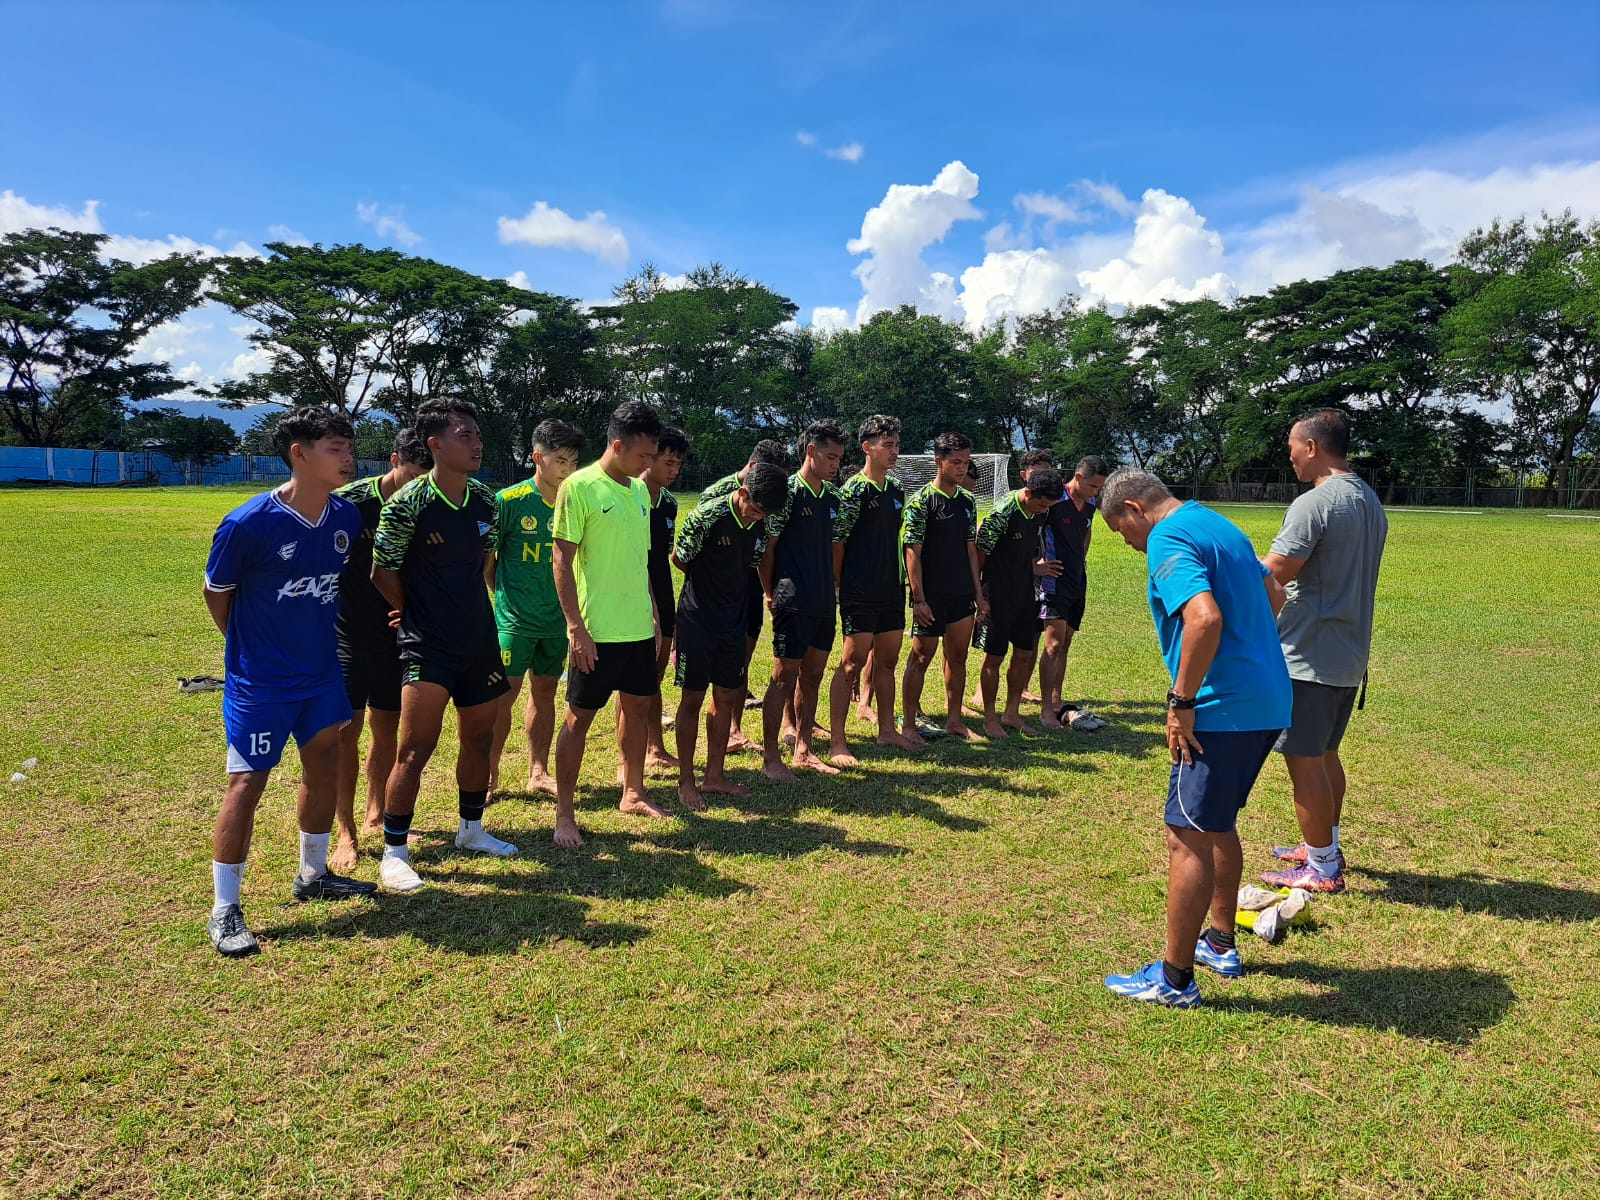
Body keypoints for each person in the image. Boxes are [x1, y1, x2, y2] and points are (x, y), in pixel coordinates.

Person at [1097, 468, 1290, 1007]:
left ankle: (1174, 979)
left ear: (1135, 509)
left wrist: (1182, 702)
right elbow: (1274, 591)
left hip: (1221, 710)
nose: (1132, 545)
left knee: (1185, 835)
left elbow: (1203, 620)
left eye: (1122, 532)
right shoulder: (1219, 525)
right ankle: (1220, 942)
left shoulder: (1168, 535)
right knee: (1214, 822)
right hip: (1267, 699)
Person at [201, 406, 375, 957]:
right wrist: (249, 650)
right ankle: (225, 909)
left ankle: (312, 873)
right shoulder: (248, 524)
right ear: (299, 453)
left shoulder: (346, 519)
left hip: (322, 673)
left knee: (325, 763)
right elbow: (217, 593)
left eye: (349, 447)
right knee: (248, 782)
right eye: (334, 448)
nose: (348, 458)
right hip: (262, 682)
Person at [371, 398, 516, 894]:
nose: (476, 443)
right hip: (426, 645)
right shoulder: (407, 503)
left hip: (478, 639)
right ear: (435, 445)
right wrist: (410, 609)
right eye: (465, 435)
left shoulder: (485, 501)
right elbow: (381, 570)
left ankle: (471, 830)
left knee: (479, 737)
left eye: (477, 435)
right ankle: (395, 851)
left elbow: (482, 563)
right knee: (415, 747)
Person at [1259, 408, 1387, 895]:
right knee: (1326, 755)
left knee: (1304, 760)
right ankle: (1322, 847)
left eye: (1292, 444)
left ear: (1311, 447)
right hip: (1348, 654)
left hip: (1307, 653)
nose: (1288, 453)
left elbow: (1274, 573)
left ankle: (1322, 868)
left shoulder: (1315, 503)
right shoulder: (1368, 499)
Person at [550, 401, 665, 848]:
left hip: (637, 628)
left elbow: (641, 561)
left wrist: (653, 614)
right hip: (596, 632)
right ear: (617, 446)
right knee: (578, 718)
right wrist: (575, 627)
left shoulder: (639, 492)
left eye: (653, 456)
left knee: (638, 709)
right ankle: (564, 813)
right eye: (643, 456)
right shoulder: (579, 488)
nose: (649, 464)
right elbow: (562, 559)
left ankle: (633, 792)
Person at [329, 427, 432, 873]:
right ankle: (346, 832)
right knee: (344, 734)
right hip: (348, 635)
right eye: (412, 477)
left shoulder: (429, 503)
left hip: (399, 637)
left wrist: (410, 610)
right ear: (394, 462)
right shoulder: (351, 503)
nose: (418, 488)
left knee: (388, 728)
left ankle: (376, 814)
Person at [671, 462, 789, 809]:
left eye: (763, 514)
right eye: (753, 509)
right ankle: (686, 782)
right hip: (697, 620)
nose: (756, 518)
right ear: (741, 493)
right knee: (692, 699)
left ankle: (715, 776)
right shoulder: (705, 517)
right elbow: (680, 558)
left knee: (726, 695)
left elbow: (754, 560)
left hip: (733, 621)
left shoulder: (763, 522)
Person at [485, 418, 586, 798]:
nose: (567, 469)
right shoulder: (508, 502)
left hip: (556, 623)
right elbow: (488, 565)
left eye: (573, 461)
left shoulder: (575, 502)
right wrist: (508, 602)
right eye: (560, 459)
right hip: (514, 622)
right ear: (537, 458)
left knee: (545, 694)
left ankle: (538, 770)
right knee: (502, 698)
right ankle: (490, 773)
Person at [828, 414, 920, 761]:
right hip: (859, 590)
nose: (894, 451)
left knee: (887, 662)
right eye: (888, 445)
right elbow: (838, 541)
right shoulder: (853, 490)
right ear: (867, 448)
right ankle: (838, 742)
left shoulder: (897, 490)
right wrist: (842, 583)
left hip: (891, 590)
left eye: (897, 444)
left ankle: (887, 731)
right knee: (851, 663)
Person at [759, 419, 847, 780]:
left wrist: (835, 587)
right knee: (783, 677)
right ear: (810, 451)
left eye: (840, 458)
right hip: (791, 599)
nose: (835, 464)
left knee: (813, 676)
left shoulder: (834, 498)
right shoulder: (787, 494)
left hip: (823, 601)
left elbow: (835, 548)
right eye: (830, 456)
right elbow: (767, 549)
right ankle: (770, 760)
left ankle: (804, 750)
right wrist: (769, 592)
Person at [700, 439, 791, 752]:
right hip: (718, 588)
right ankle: (719, 727)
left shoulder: (772, 498)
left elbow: (767, 546)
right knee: (720, 660)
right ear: (754, 468)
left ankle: (735, 728)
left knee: (743, 656)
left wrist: (767, 591)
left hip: (751, 585)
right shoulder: (714, 495)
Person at [901, 433, 988, 744]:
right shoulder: (922, 501)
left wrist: (978, 594)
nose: (962, 468)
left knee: (959, 657)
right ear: (939, 461)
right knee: (921, 657)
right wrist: (919, 598)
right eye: (955, 462)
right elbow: (912, 551)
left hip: (961, 593)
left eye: (966, 462)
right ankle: (908, 723)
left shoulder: (967, 501)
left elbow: (970, 550)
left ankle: (955, 720)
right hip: (931, 595)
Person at [975, 467, 1065, 738]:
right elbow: (979, 555)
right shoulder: (1001, 515)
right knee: (994, 657)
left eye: (1047, 506)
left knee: (1025, 653)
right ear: (1027, 493)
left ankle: (1011, 713)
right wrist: (979, 595)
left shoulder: (1042, 512)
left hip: (1026, 593)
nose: (1042, 510)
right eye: (1040, 504)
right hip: (997, 594)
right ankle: (990, 718)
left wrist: (1036, 569)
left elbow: (1028, 553)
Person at [1039, 454, 1109, 730]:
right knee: (1053, 644)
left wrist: (1082, 556)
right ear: (1078, 477)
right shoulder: (1054, 500)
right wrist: (1037, 563)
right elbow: (1034, 529)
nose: (1096, 492)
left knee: (1066, 641)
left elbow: (1086, 531)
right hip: (1053, 581)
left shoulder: (1090, 504)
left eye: (1099, 488)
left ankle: (1056, 700)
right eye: (1093, 486)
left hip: (1076, 580)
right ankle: (1045, 709)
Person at [633, 425, 688, 772]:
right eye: (668, 462)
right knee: (633, 683)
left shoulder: (668, 503)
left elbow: (663, 557)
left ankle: (654, 746)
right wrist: (647, 604)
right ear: (648, 457)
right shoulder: (629, 496)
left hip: (664, 594)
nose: (674, 471)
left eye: (678, 464)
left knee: (653, 677)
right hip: (634, 597)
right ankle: (630, 758)